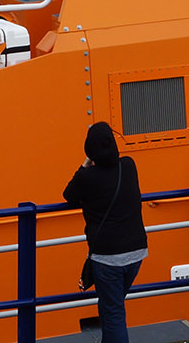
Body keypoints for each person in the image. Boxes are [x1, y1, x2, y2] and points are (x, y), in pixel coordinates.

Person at [63, 122, 148, 343]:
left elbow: (68, 194)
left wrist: (85, 163)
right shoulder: (129, 166)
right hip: (137, 252)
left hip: (108, 257)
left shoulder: (87, 178)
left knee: (113, 313)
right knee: (112, 306)